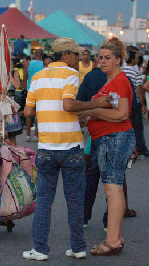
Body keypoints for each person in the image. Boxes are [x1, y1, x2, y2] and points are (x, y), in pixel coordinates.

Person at [22, 37, 111, 261]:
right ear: (65, 55)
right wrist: (96, 104)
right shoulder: (70, 75)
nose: (79, 58)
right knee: (74, 200)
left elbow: (28, 113)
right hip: (70, 147)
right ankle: (78, 247)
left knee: (44, 200)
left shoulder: (38, 77)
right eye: (75, 54)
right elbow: (68, 104)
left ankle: (40, 249)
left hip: (46, 148)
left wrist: (47, 110)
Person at [79, 38, 136, 256]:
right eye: (100, 58)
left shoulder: (119, 81)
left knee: (112, 188)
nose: (102, 61)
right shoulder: (111, 81)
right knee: (114, 188)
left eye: (107, 58)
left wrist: (92, 111)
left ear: (118, 60)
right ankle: (115, 238)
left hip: (114, 137)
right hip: (110, 138)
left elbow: (121, 113)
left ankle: (112, 241)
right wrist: (91, 113)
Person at [121, 46, 149, 156]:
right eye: (136, 58)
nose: (137, 59)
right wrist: (143, 104)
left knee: (125, 127)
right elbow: (138, 88)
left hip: (123, 102)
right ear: (132, 59)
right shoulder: (135, 71)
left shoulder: (122, 70)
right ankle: (141, 148)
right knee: (137, 127)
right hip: (134, 103)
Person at [25, 49, 44, 142]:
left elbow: (25, 76)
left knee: (29, 113)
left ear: (34, 54)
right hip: (41, 90)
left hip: (30, 89)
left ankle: (28, 135)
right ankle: (36, 135)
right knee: (38, 113)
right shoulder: (44, 65)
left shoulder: (30, 63)